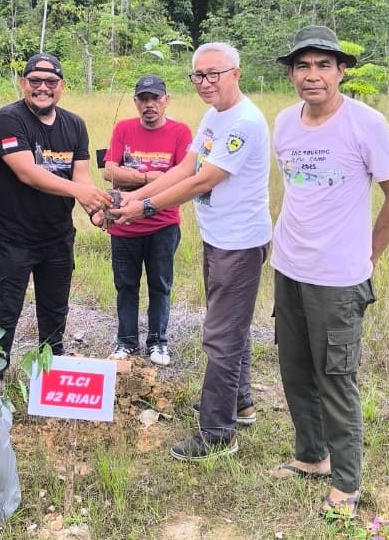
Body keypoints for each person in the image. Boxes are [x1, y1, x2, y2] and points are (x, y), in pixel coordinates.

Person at [270, 26, 389, 518]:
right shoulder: (284, 123)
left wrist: (369, 257)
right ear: (291, 74)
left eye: (323, 65)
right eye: (302, 66)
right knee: (295, 369)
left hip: (339, 279)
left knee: (336, 378)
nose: (312, 75)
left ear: (341, 71)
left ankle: (346, 483)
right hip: (288, 266)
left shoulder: (366, 124)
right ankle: (312, 456)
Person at [112, 43, 272, 461]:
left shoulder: (245, 122)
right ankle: (241, 403)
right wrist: (132, 199)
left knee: (220, 334)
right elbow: (186, 168)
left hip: (240, 243)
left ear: (236, 73)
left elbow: (204, 180)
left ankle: (218, 432)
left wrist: (145, 207)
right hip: (218, 238)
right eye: (198, 75)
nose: (205, 82)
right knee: (231, 325)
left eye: (213, 74)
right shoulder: (215, 116)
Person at [0, 53, 112, 387]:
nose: (42, 88)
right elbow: (28, 172)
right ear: (23, 83)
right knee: (1, 313)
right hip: (13, 239)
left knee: (54, 312)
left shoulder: (75, 124)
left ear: (61, 86)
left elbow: (81, 176)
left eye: (50, 81)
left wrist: (95, 210)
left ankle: (51, 380)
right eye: (35, 81)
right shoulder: (8, 119)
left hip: (57, 237)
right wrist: (83, 193)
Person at [101, 75, 192, 366]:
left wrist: (133, 178)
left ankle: (158, 342)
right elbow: (109, 171)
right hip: (125, 224)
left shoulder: (180, 132)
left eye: (155, 98)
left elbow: (183, 177)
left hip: (163, 223)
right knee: (126, 286)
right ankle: (127, 342)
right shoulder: (123, 128)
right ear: (136, 102)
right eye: (143, 99)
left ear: (166, 100)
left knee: (160, 285)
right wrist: (150, 177)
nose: (149, 105)